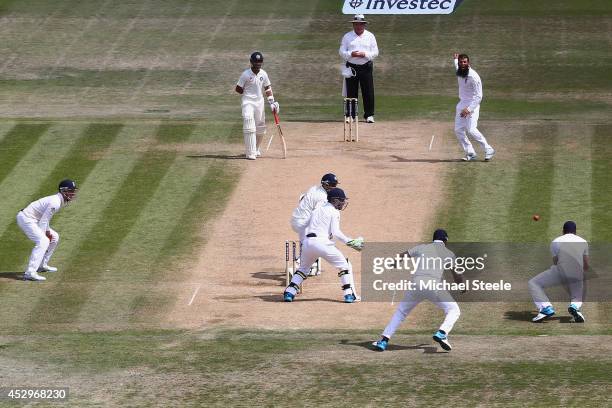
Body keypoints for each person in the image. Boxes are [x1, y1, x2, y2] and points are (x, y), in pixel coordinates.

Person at [373, 229, 462, 352]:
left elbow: (401, 256)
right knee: (454, 310)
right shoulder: (448, 253)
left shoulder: (422, 248)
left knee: (401, 313)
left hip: (416, 284)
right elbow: (457, 274)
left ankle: (383, 341)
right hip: (434, 286)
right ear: (445, 240)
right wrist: (461, 286)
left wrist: (393, 264)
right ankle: (442, 332)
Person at [283, 188, 363, 303]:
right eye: (341, 200)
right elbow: (336, 233)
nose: (343, 203)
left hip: (308, 243)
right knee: (344, 265)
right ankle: (349, 295)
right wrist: (350, 242)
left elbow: (304, 226)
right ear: (335, 200)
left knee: (303, 269)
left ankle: (289, 292)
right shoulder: (334, 212)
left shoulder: (316, 210)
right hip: (322, 244)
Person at [16, 179, 78, 281]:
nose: (73, 193)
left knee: (54, 237)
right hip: (26, 218)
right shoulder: (55, 202)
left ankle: (41, 265)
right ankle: (30, 272)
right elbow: (43, 221)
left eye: (73, 190)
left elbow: (45, 218)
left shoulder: (60, 201)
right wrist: (45, 233)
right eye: (70, 191)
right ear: (63, 191)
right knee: (43, 241)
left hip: (35, 219)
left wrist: (48, 231)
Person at [529, 221, 589, 323]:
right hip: (577, 271)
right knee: (577, 293)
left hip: (561, 270)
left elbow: (556, 262)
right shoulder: (583, 242)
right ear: (575, 232)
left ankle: (546, 308)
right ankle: (575, 307)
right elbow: (586, 265)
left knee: (534, 283)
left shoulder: (555, 241)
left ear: (563, 231)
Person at [290, 173, 340, 276]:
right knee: (316, 243)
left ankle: (310, 267)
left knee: (310, 245)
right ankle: (295, 268)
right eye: (332, 185)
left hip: (298, 220)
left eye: (335, 185)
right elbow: (318, 215)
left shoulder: (314, 189)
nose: (334, 187)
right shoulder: (322, 197)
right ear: (325, 184)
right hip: (304, 223)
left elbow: (302, 198)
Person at [235, 51, 280, 160]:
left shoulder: (263, 74)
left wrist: (271, 101)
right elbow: (238, 88)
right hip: (248, 101)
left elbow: (267, 87)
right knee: (248, 120)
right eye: (256, 64)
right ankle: (250, 153)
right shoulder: (246, 74)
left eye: (259, 64)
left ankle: (255, 148)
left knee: (260, 127)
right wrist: (247, 91)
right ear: (251, 63)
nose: (257, 66)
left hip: (259, 102)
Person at [453, 53, 495, 162]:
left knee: (471, 129)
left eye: (465, 62)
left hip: (473, 104)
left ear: (468, 63)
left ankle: (488, 149)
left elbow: (479, 96)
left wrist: (469, 109)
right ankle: (470, 152)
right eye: (461, 62)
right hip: (462, 103)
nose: (462, 64)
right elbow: (456, 66)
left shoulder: (473, 76)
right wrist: (455, 59)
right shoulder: (459, 71)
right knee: (458, 130)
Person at [339, 14, 379, 123]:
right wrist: (351, 53)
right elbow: (341, 52)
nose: (358, 26)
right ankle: (351, 115)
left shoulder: (370, 36)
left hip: (366, 67)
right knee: (351, 92)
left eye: (360, 24)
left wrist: (364, 54)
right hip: (351, 68)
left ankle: (369, 115)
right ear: (353, 25)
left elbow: (375, 52)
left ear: (364, 25)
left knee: (368, 91)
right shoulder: (347, 36)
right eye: (356, 24)